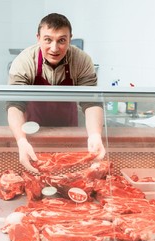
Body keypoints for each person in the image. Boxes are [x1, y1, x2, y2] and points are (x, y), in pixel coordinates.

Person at [7, 13, 105, 173]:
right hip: (33, 132)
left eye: (61, 40)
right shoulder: (24, 61)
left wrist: (95, 135)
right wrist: (21, 140)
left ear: (70, 39)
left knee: (67, 176)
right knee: (37, 176)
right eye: (48, 39)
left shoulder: (81, 60)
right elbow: (15, 105)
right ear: (38, 38)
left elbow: (91, 101)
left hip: (69, 132)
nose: (54, 48)